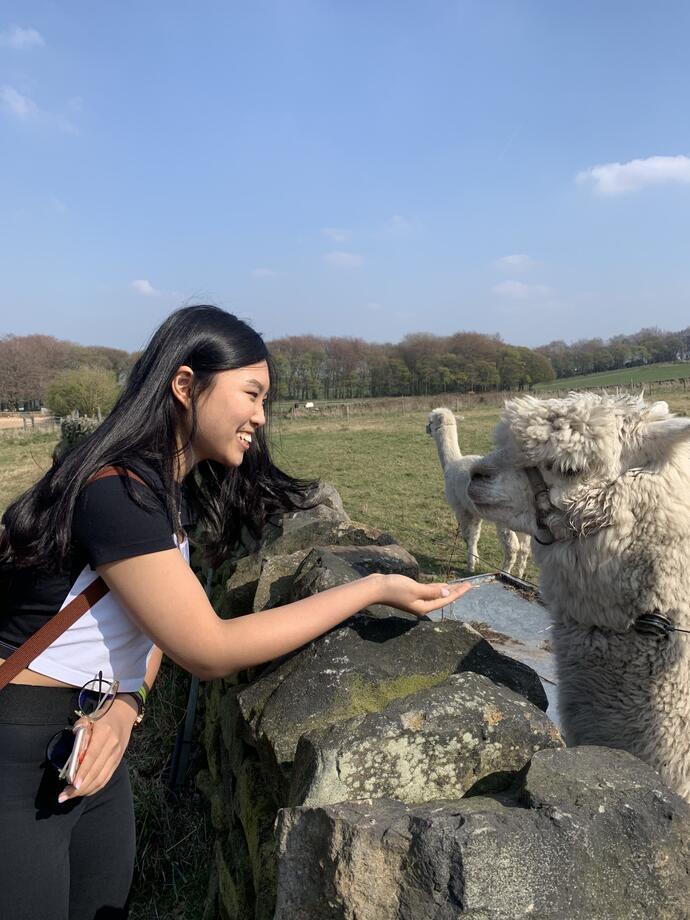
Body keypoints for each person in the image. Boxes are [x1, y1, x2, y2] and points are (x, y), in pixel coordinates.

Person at [0, 305, 470, 920]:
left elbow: (156, 627)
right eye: (252, 393)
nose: (260, 417)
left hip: (89, 741)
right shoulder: (115, 492)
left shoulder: (165, 495)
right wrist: (370, 587)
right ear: (185, 384)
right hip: (19, 751)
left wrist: (125, 706)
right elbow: (207, 647)